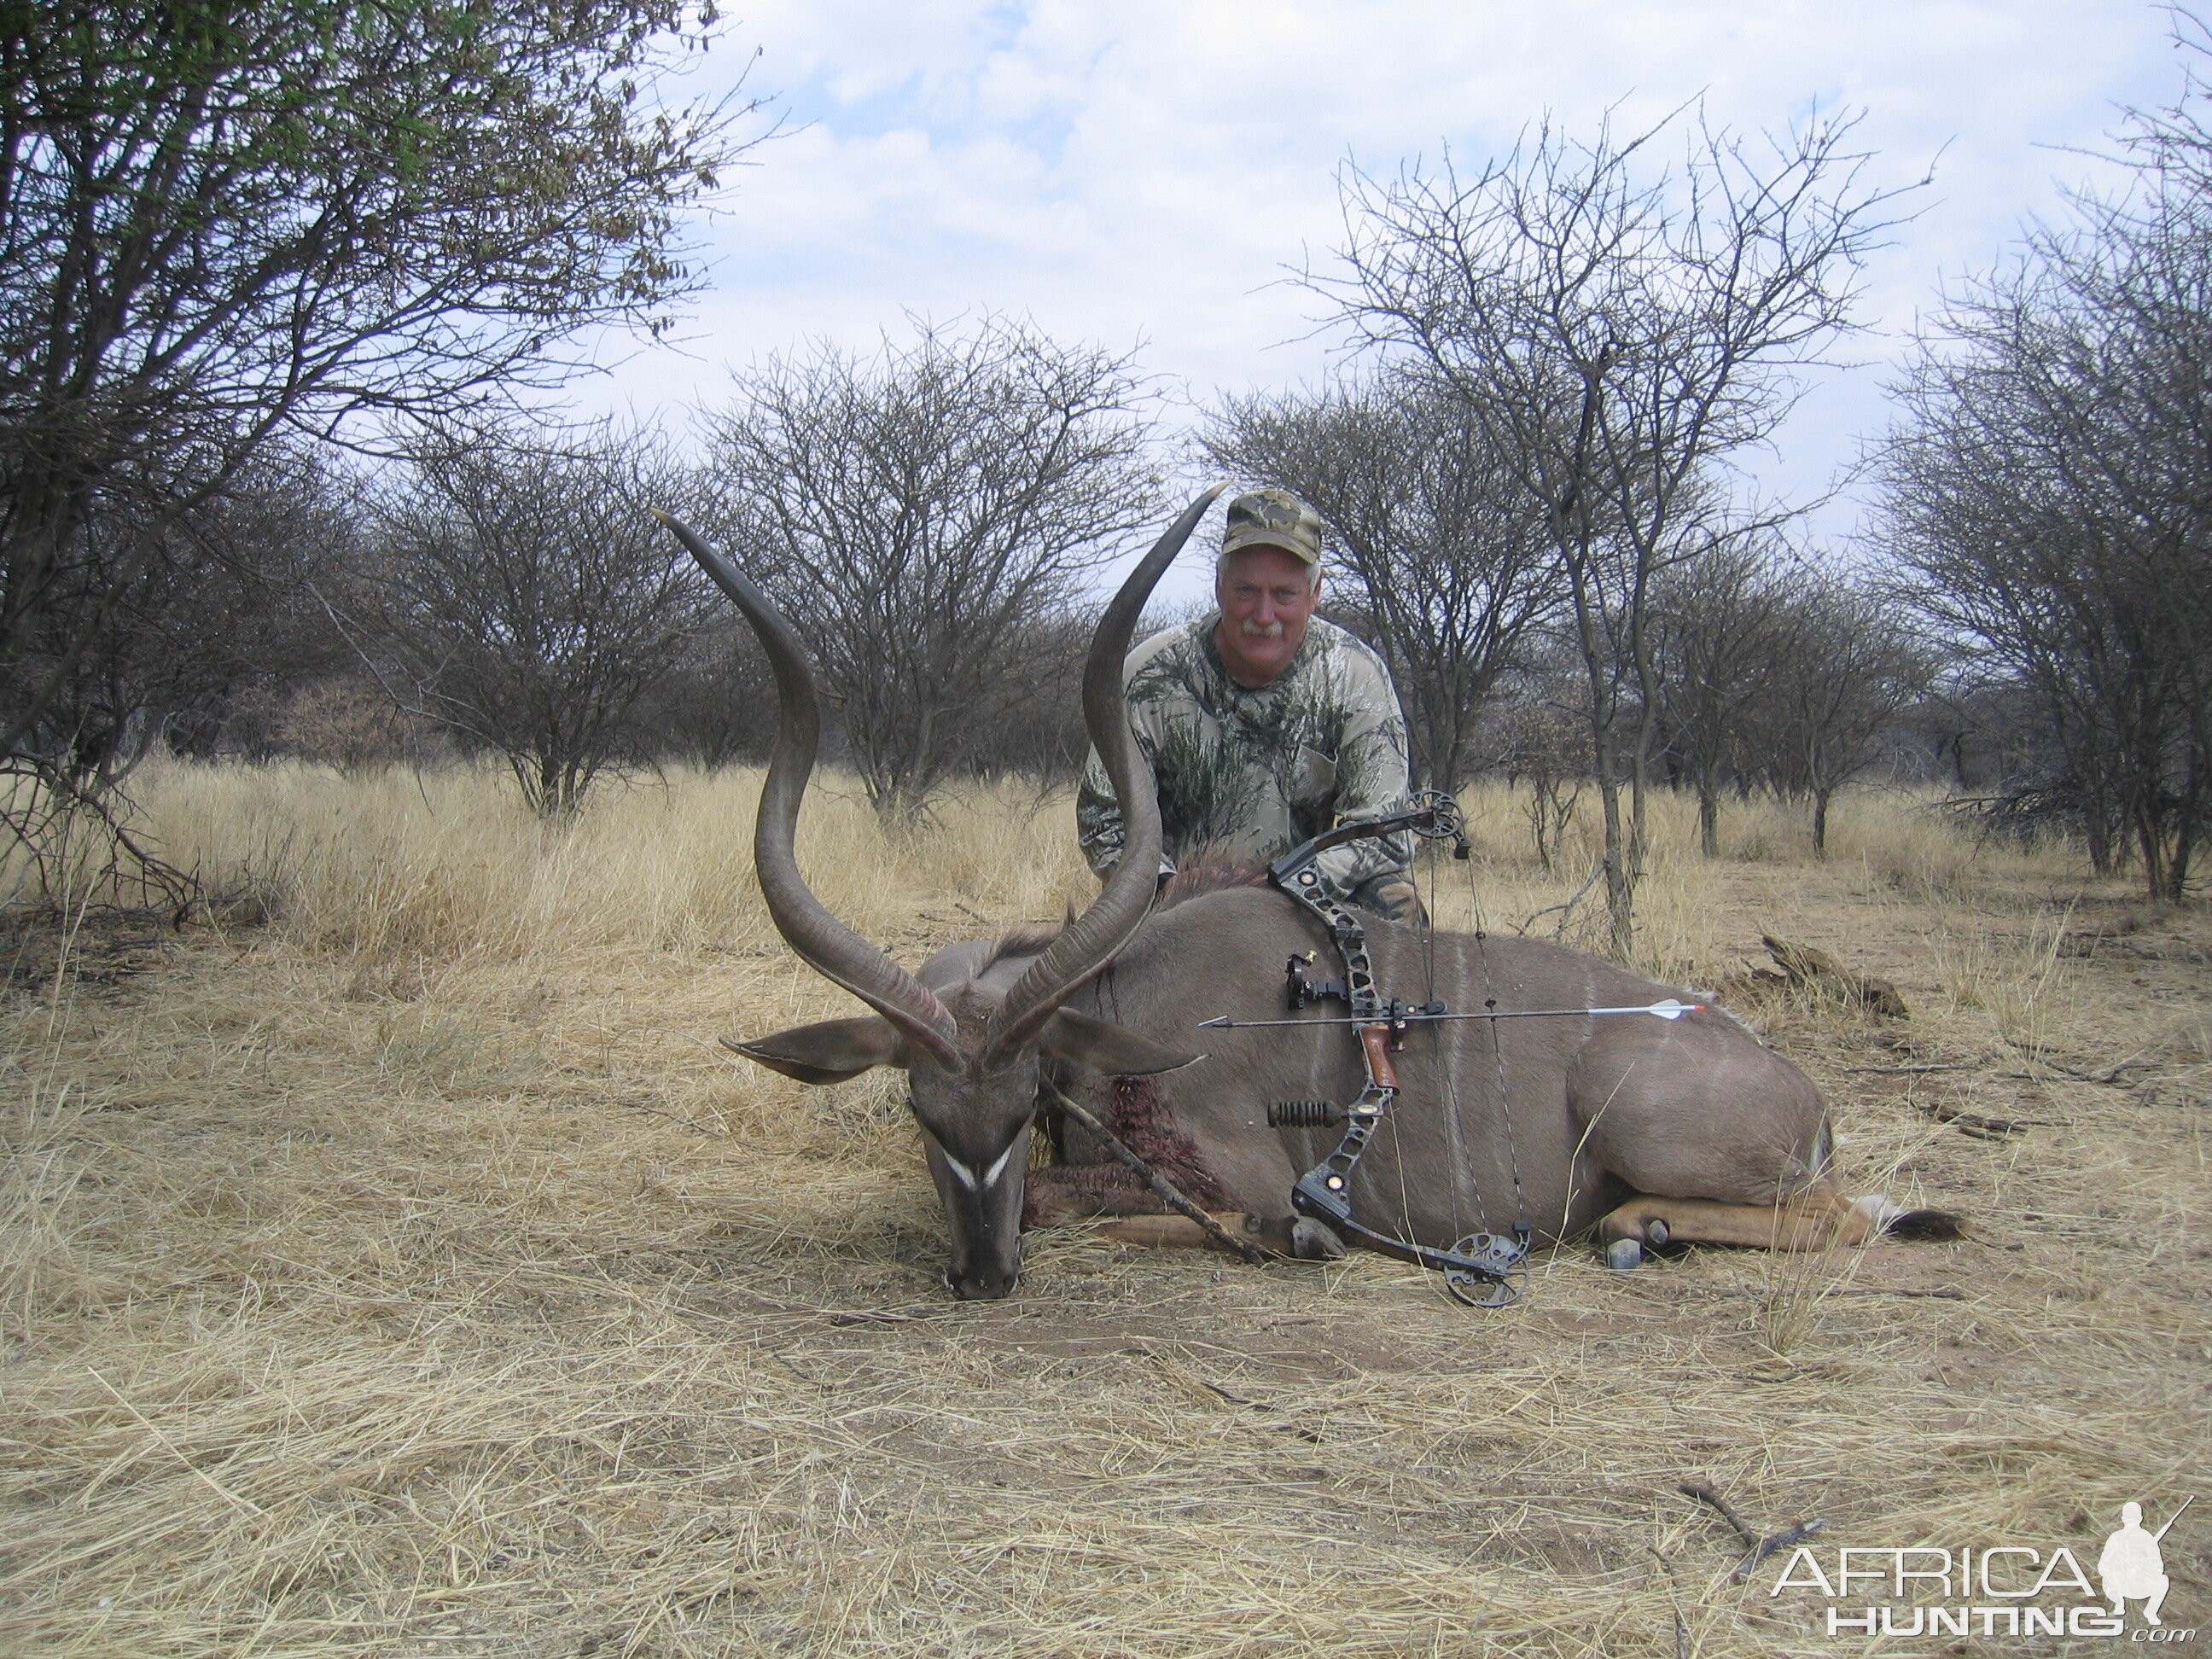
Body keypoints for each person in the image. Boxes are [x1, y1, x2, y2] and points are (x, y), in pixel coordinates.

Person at [1076, 487, 1422, 921]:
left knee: (1397, 904)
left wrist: (1279, 890)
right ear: (1219, 587)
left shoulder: (1355, 675)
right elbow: (1103, 819)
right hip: (1173, 906)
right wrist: (1174, 893)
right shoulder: (1150, 673)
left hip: (1304, 904)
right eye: (1246, 590)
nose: (1262, 615)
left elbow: (1384, 833)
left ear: (1314, 594)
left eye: (1284, 594)